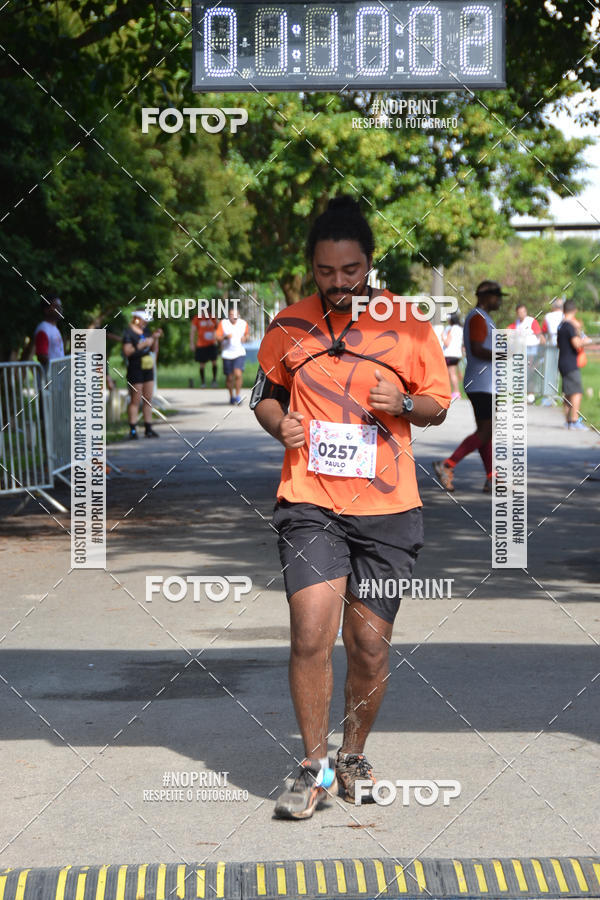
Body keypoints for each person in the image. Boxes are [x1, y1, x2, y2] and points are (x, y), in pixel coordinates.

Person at [251, 196, 450, 820]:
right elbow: (265, 396)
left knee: (368, 646)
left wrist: (404, 402)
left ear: (371, 264)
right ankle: (313, 765)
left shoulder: (410, 323)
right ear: (311, 267)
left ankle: (354, 754)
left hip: (388, 507)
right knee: (311, 630)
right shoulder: (288, 325)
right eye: (326, 272)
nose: (339, 283)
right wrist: (279, 425)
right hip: (309, 498)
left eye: (352, 271)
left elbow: (439, 404)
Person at [433, 280, 505, 493]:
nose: (499, 300)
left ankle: (492, 477)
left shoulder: (483, 317)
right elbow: (477, 349)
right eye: (495, 295)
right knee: (485, 432)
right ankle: (448, 464)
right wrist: (504, 354)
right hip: (482, 384)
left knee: (486, 432)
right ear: (484, 296)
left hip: (486, 383)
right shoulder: (478, 318)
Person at [122, 310, 163, 439]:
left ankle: (148, 428)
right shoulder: (128, 333)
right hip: (135, 367)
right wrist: (142, 344)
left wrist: (155, 339)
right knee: (135, 399)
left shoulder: (146, 331)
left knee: (148, 399)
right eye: (143, 321)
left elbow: (152, 349)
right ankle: (133, 429)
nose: (145, 324)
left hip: (147, 366)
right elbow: (127, 352)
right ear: (136, 319)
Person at [557, 299, 591, 430]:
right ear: (574, 310)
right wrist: (586, 341)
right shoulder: (569, 326)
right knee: (577, 392)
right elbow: (576, 344)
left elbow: (558, 343)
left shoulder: (560, 325)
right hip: (570, 362)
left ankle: (568, 421)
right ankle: (575, 420)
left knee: (568, 392)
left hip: (562, 361)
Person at [216, 308, 249, 405]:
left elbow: (247, 335)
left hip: (239, 353)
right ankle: (231, 396)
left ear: (238, 315)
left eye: (235, 315)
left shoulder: (243, 323)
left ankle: (238, 396)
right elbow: (217, 337)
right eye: (231, 315)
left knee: (238, 374)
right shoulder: (223, 323)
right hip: (227, 354)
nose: (233, 317)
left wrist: (245, 338)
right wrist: (225, 337)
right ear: (228, 315)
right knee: (229, 377)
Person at [34, 295, 65, 367]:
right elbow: (41, 356)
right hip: (49, 377)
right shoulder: (43, 329)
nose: (60, 308)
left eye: (60, 306)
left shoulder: (55, 329)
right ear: (46, 310)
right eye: (56, 306)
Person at [190, 314, 218, 388]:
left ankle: (214, 380)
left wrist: (217, 338)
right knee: (202, 364)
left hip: (212, 344)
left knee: (214, 362)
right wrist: (192, 343)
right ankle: (203, 382)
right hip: (201, 344)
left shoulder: (213, 317)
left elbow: (217, 328)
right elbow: (193, 331)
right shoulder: (197, 318)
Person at [441, 311, 463, 400]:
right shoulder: (460, 329)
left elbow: (447, 343)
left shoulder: (451, 329)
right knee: (453, 373)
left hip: (449, 354)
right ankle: (455, 392)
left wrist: (442, 336)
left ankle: (455, 392)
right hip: (457, 354)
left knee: (450, 374)